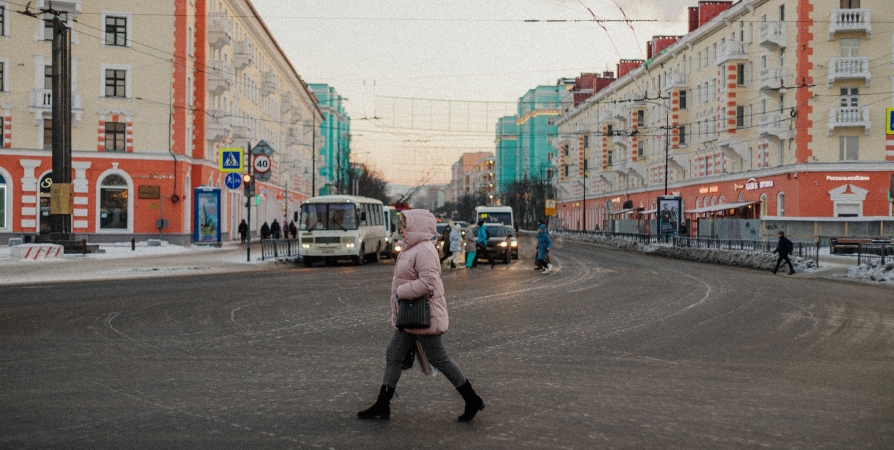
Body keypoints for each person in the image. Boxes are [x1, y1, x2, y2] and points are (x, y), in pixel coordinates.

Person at [357, 209, 485, 422]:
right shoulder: (412, 249)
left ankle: (472, 399)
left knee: (439, 359)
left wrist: (401, 292)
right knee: (393, 355)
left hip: (424, 316)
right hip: (410, 316)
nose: (402, 229)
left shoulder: (425, 250)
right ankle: (383, 404)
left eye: (405, 225)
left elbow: (428, 283)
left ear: (416, 227)